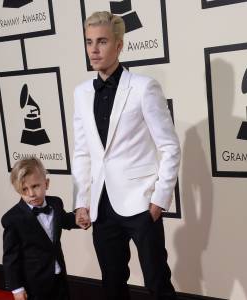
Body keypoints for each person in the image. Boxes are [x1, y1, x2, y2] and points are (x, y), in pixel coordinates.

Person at [72, 11, 181, 300]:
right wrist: (81, 201)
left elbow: (169, 146)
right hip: (102, 205)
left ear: (119, 45)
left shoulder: (144, 87)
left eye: (102, 41)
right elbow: (83, 151)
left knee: (158, 282)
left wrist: (159, 199)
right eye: (89, 42)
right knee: (112, 283)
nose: (94, 49)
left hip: (141, 202)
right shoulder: (81, 93)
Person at [2, 157, 78, 300]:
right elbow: (11, 259)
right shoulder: (13, 219)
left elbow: (65, 220)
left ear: (46, 183)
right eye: (24, 189)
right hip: (34, 283)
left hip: (59, 276)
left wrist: (83, 218)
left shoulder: (55, 203)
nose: (31, 194)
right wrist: (17, 288)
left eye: (35, 186)